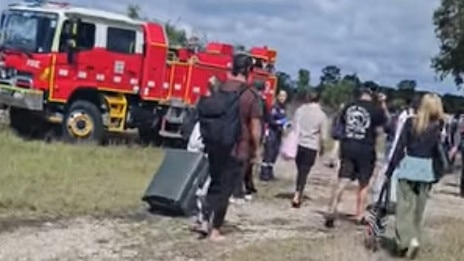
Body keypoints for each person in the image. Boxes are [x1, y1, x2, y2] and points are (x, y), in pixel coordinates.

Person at [202, 53, 262, 241]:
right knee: (227, 188)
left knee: (215, 181)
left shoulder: (221, 89)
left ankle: (204, 220)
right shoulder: (250, 95)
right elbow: (255, 128)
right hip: (238, 146)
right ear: (249, 71)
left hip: (215, 143)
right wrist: (257, 150)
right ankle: (215, 229)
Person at [385, 93, 445, 258]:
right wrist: (439, 173)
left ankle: (404, 241)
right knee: (419, 210)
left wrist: (389, 170)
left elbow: (399, 147)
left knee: (403, 208)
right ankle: (415, 239)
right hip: (426, 170)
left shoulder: (411, 122)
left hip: (408, 166)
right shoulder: (438, 125)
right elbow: (438, 152)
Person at [325, 88, 388, 227]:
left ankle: (332, 208)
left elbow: (339, 124)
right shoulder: (374, 109)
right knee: (364, 183)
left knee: (343, 180)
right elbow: (385, 122)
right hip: (366, 148)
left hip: (348, 146)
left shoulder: (349, 106)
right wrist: (383, 103)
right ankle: (359, 215)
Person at [291, 91, 328, 207]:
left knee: (300, 169)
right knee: (304, 171)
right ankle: (298, 194)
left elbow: (294, 125)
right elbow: (323, 135)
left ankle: (298, 190)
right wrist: (322, 148)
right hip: (311, 145)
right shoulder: (322, 115)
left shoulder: (300, 110)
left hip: (298, 143)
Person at [259, 89, 289, 182]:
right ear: (277, 96)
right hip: (271, 132)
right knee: (268, 153)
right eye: (281, 96)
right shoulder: (274, 107)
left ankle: (270, 173)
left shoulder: (284, 108)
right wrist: (279, 123)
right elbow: (270, 120)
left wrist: (286, 124)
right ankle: (264, 174)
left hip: (278, 134)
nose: (282, 98)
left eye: (284, 96)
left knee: (274, 153)